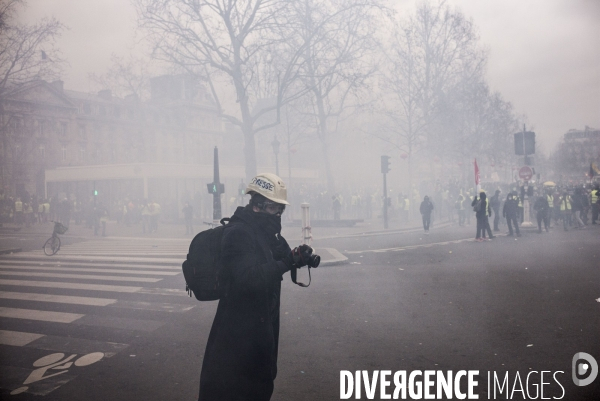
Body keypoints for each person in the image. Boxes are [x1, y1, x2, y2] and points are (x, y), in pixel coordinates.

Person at [198, 173, 315, 401]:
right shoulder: (238, 233)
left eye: (280, 209)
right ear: (257, 206)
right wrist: (287, 263)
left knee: (260, 385)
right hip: (238, 336)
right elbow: (247, 278)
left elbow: (276, 261)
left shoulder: (266, 232)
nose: (278, 214)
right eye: (274, 208)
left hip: (261, 328)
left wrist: (296, 257)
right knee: (236, 390)